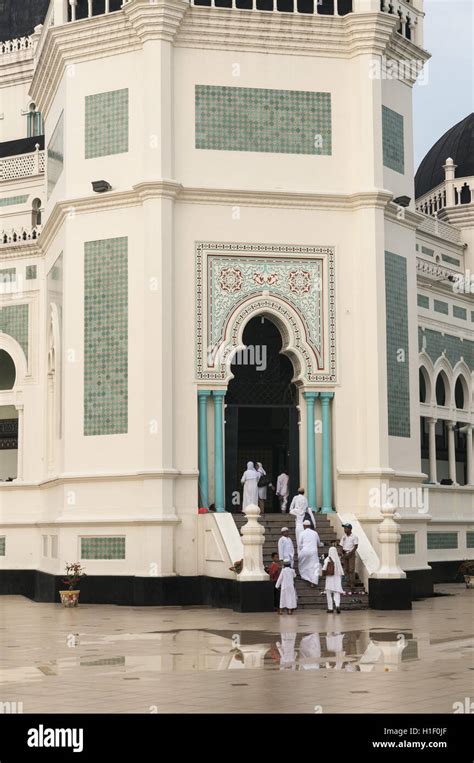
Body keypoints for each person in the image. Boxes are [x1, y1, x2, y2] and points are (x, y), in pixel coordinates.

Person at [297, 520, 322, 586]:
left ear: (304, 526)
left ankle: (305, 577)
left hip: (305, 551)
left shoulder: (301, 533)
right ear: (310, 526)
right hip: (313, 552)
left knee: (303, 564)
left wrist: (303, 549)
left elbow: (299, 545)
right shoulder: (315, 533)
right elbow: (319, 543)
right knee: (314, 566)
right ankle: (313, 582)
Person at [322, 545, 344, 613]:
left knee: (329, 594)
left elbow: (324, 568)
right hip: (337, 579)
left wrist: (322, 572)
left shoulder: (327, 559)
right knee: (337, 593)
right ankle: (337, 605)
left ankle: (330, 608)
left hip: (329, 579)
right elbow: (340, 571)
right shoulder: (338, 559)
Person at [339, 523, 359, 592]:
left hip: (351, 554)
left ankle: (352, 583)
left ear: (350, 529)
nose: (345, 529)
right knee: (346, 569)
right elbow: (341, 545)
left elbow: (356, 546)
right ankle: (348, 582)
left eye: (346, 528)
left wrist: (351, 553)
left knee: (351, 569)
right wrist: (341, 552)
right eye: (344, 528)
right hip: (345, 553)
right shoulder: (343, 537)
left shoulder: (354, 537)